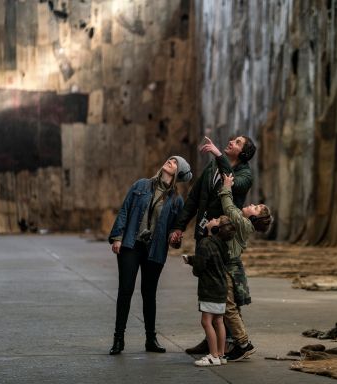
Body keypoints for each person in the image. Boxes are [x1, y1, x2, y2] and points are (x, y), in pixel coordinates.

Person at [169, 135, 256, 354]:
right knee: (208, 287)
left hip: (223, 238)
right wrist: (180, 226)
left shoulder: (245, 174)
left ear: (243, 153)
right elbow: (194, 198)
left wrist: (218, 155)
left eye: (237, 143)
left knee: (225, 292)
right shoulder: (211, 168)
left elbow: (233, 183)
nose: (230, 143)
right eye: (232, 140)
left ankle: (235, 341)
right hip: (204, 233)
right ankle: (212, 340)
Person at [108, 156, 192, 355]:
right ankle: (118, 339)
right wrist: (117, 237)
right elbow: (125, 210)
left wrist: (176, 238)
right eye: (170, 159)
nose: (169, 161)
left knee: (149, 294)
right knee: (125, 291)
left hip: (154, 250)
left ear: (177, 173)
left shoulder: (176, 201)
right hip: (131, 244)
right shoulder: (141, 185)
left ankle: (150, 339)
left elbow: (175, 231)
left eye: (174, 163)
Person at [219, 173, 272, 361]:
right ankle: (235, 341)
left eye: (255, 208)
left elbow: (228, 207)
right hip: (231, 267)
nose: (251, 205)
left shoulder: (242, 223)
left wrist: (226, 186)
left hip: (229, 268)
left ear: (254, 219)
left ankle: (243, 343)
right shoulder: (244, 223)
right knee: (232, 306)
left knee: (228, 306)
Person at [184, 215, 236, 366]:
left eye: (217, 220)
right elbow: (215, 261)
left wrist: (194, 265)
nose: (212, 218)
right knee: (219, 321)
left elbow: (200, 268)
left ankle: (213, 356)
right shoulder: (222, 245)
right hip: (221, 288)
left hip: (209, 288)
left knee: (206, 322)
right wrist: (192, 259)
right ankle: (221, 354)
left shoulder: (204, 243)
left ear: (215, 228)